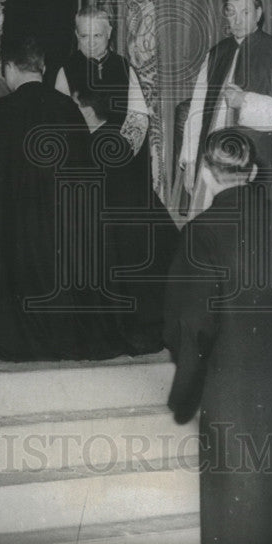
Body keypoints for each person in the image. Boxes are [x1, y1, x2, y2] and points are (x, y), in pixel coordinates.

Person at [164, 128, 272, 544]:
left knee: (236, 517)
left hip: (233, 397)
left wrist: (184, 392)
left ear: (206, 172)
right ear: (254, 171)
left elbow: (191, 325)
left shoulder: (200, 234)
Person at [0, 36, 117, 361]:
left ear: (9, 68)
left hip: (15, 234)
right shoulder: (68, 109)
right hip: (62, 231)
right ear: (43, 68)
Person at [178, 0, 272, 222]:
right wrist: (190, 161)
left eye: (246, 12)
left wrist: (245, 101)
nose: (238, 20)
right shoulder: (216, 54)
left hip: (258, 162)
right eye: (232, 12)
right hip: (215, 162)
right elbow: (197, 111)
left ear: (258, 15)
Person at [73, 87, 177, 355]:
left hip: (125, 230)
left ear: (86, 110)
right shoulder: (117, 137)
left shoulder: (90, 145)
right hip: (150, 223)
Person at [54, 7, 149, 156]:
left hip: (121, 157)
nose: (92, 43)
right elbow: (59, 120)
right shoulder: (67, 70)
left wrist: (122, 150)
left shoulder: (123, 67)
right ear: (77, 35)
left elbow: (138, 117)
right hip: (82, 157)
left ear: (109, 33)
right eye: (85, 36)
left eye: (97, 35)